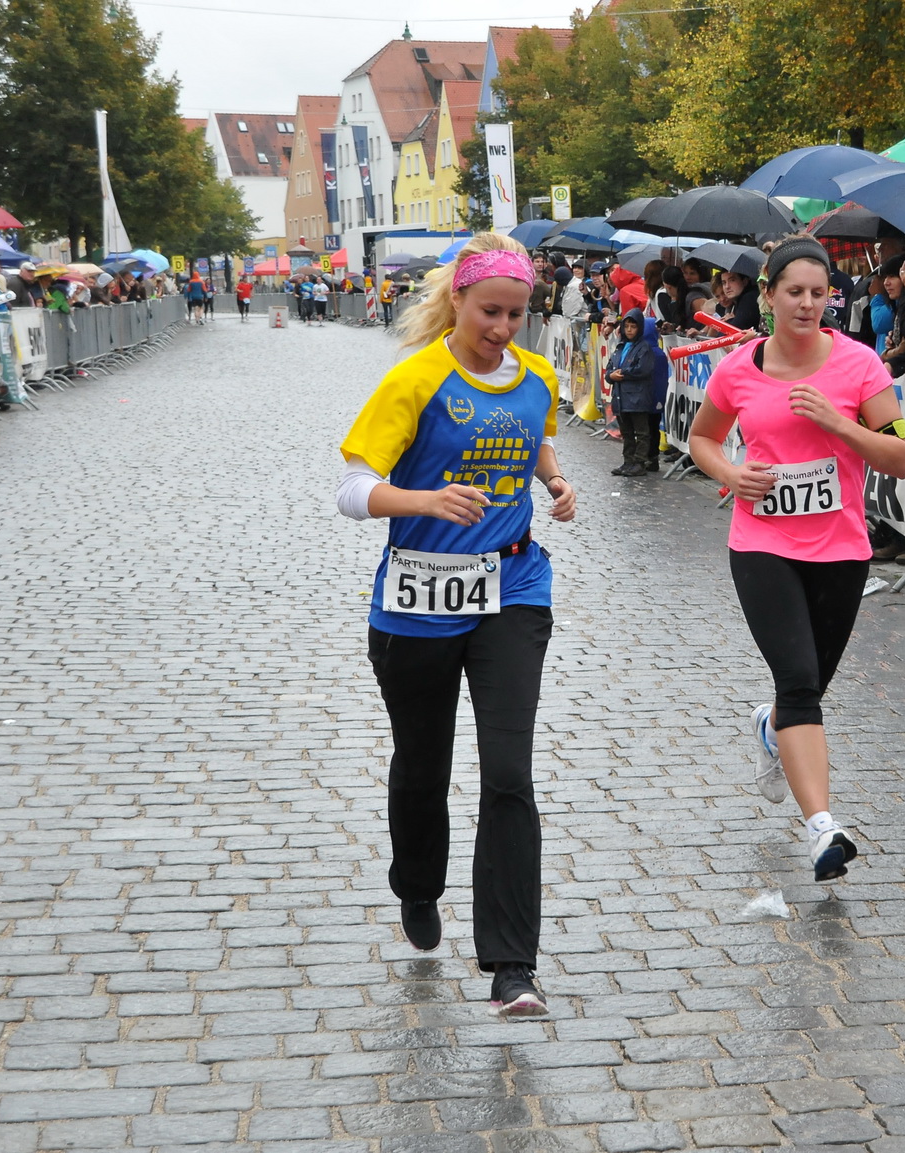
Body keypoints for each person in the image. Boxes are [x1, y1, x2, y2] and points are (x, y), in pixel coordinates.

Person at [334, 232, 576, 1016]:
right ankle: (417, 882)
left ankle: (512, 966)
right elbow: (352, 489)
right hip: (418, 594)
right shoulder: (417, 377)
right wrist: (423, 500)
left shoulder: (538, 376)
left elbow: (534, 439)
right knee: (422, 762)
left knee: (509, 772)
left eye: (517, 313)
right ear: (459, 302)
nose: (504, 327)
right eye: (490, 311)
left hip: (513, 585)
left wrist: (557, 482)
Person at [686, 238, 905, 881]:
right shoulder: (738, 368)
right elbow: (703, 437)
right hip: (761, 544)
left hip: (840, 548)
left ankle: (769, 729)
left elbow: (900, 457)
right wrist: (731, 471)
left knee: (806, 687)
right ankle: (823, 828)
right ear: (769, 296)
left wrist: (840, 425)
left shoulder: (860, 365)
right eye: (795, 292)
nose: (808, 304)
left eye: (820, 293)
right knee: (801, 684)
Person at [605, 309, 661, 476]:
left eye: (633, 327)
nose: (629, 330)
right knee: (627, 432)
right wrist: (611, 376)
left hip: (637, 397)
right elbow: (609, 368)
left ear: (640, 328)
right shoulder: (621, 347)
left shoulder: (644, 348)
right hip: (621, 397)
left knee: (641, 432)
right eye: (626, 326)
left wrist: (621, 374)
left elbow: (643, 369)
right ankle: (628, 460)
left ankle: (639, 461)